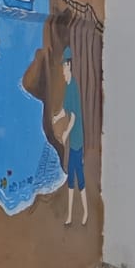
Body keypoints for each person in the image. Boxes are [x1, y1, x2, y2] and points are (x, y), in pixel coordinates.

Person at [52, 47, 88, 225]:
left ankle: (85, 212)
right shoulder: (68, 87)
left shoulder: (73, 87)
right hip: (73, 139)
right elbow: (66, 110)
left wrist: (65, 133)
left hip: (77, 140)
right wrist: (57, 117)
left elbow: (73, 116)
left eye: (63, 66)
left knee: (78, 177)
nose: (62, 70)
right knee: (71, 178)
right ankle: (70, 216)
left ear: (68, 65)